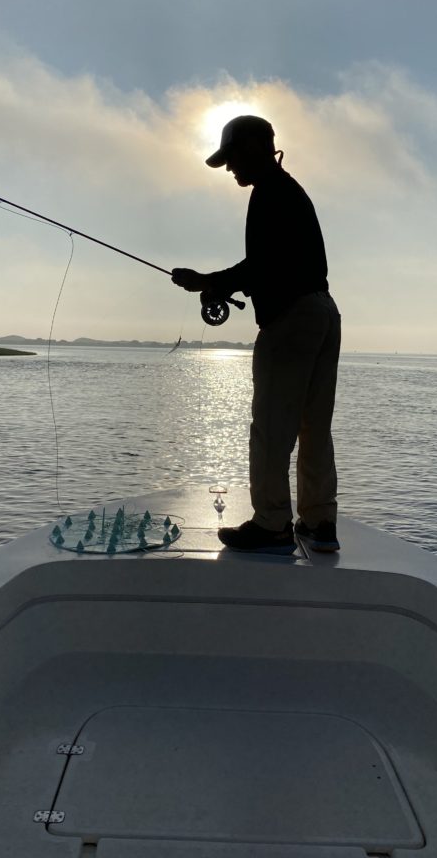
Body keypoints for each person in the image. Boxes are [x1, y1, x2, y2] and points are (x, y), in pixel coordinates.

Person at [172, 115, 341, 555]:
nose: (229, 169)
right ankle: (319, 523)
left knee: (270, 427)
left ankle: (271, 524)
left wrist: (209, 280)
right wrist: (215, 282)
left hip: (292, 318)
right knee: (313, 427)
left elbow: (263, 265)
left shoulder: (270, 194)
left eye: (231, 158)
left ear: (254, 149)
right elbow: (274, 263)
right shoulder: (290, 191)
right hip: (323, 311)